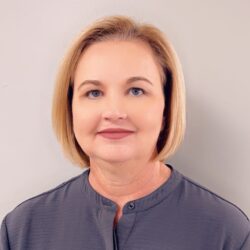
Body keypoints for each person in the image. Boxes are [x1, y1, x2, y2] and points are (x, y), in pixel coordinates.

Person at [0, 15, 249, 250]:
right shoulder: (22, 230)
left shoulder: (226, 233)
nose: (114, 111)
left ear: (167, 108)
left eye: (136, 91)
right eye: (94, 93)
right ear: (70, 110)